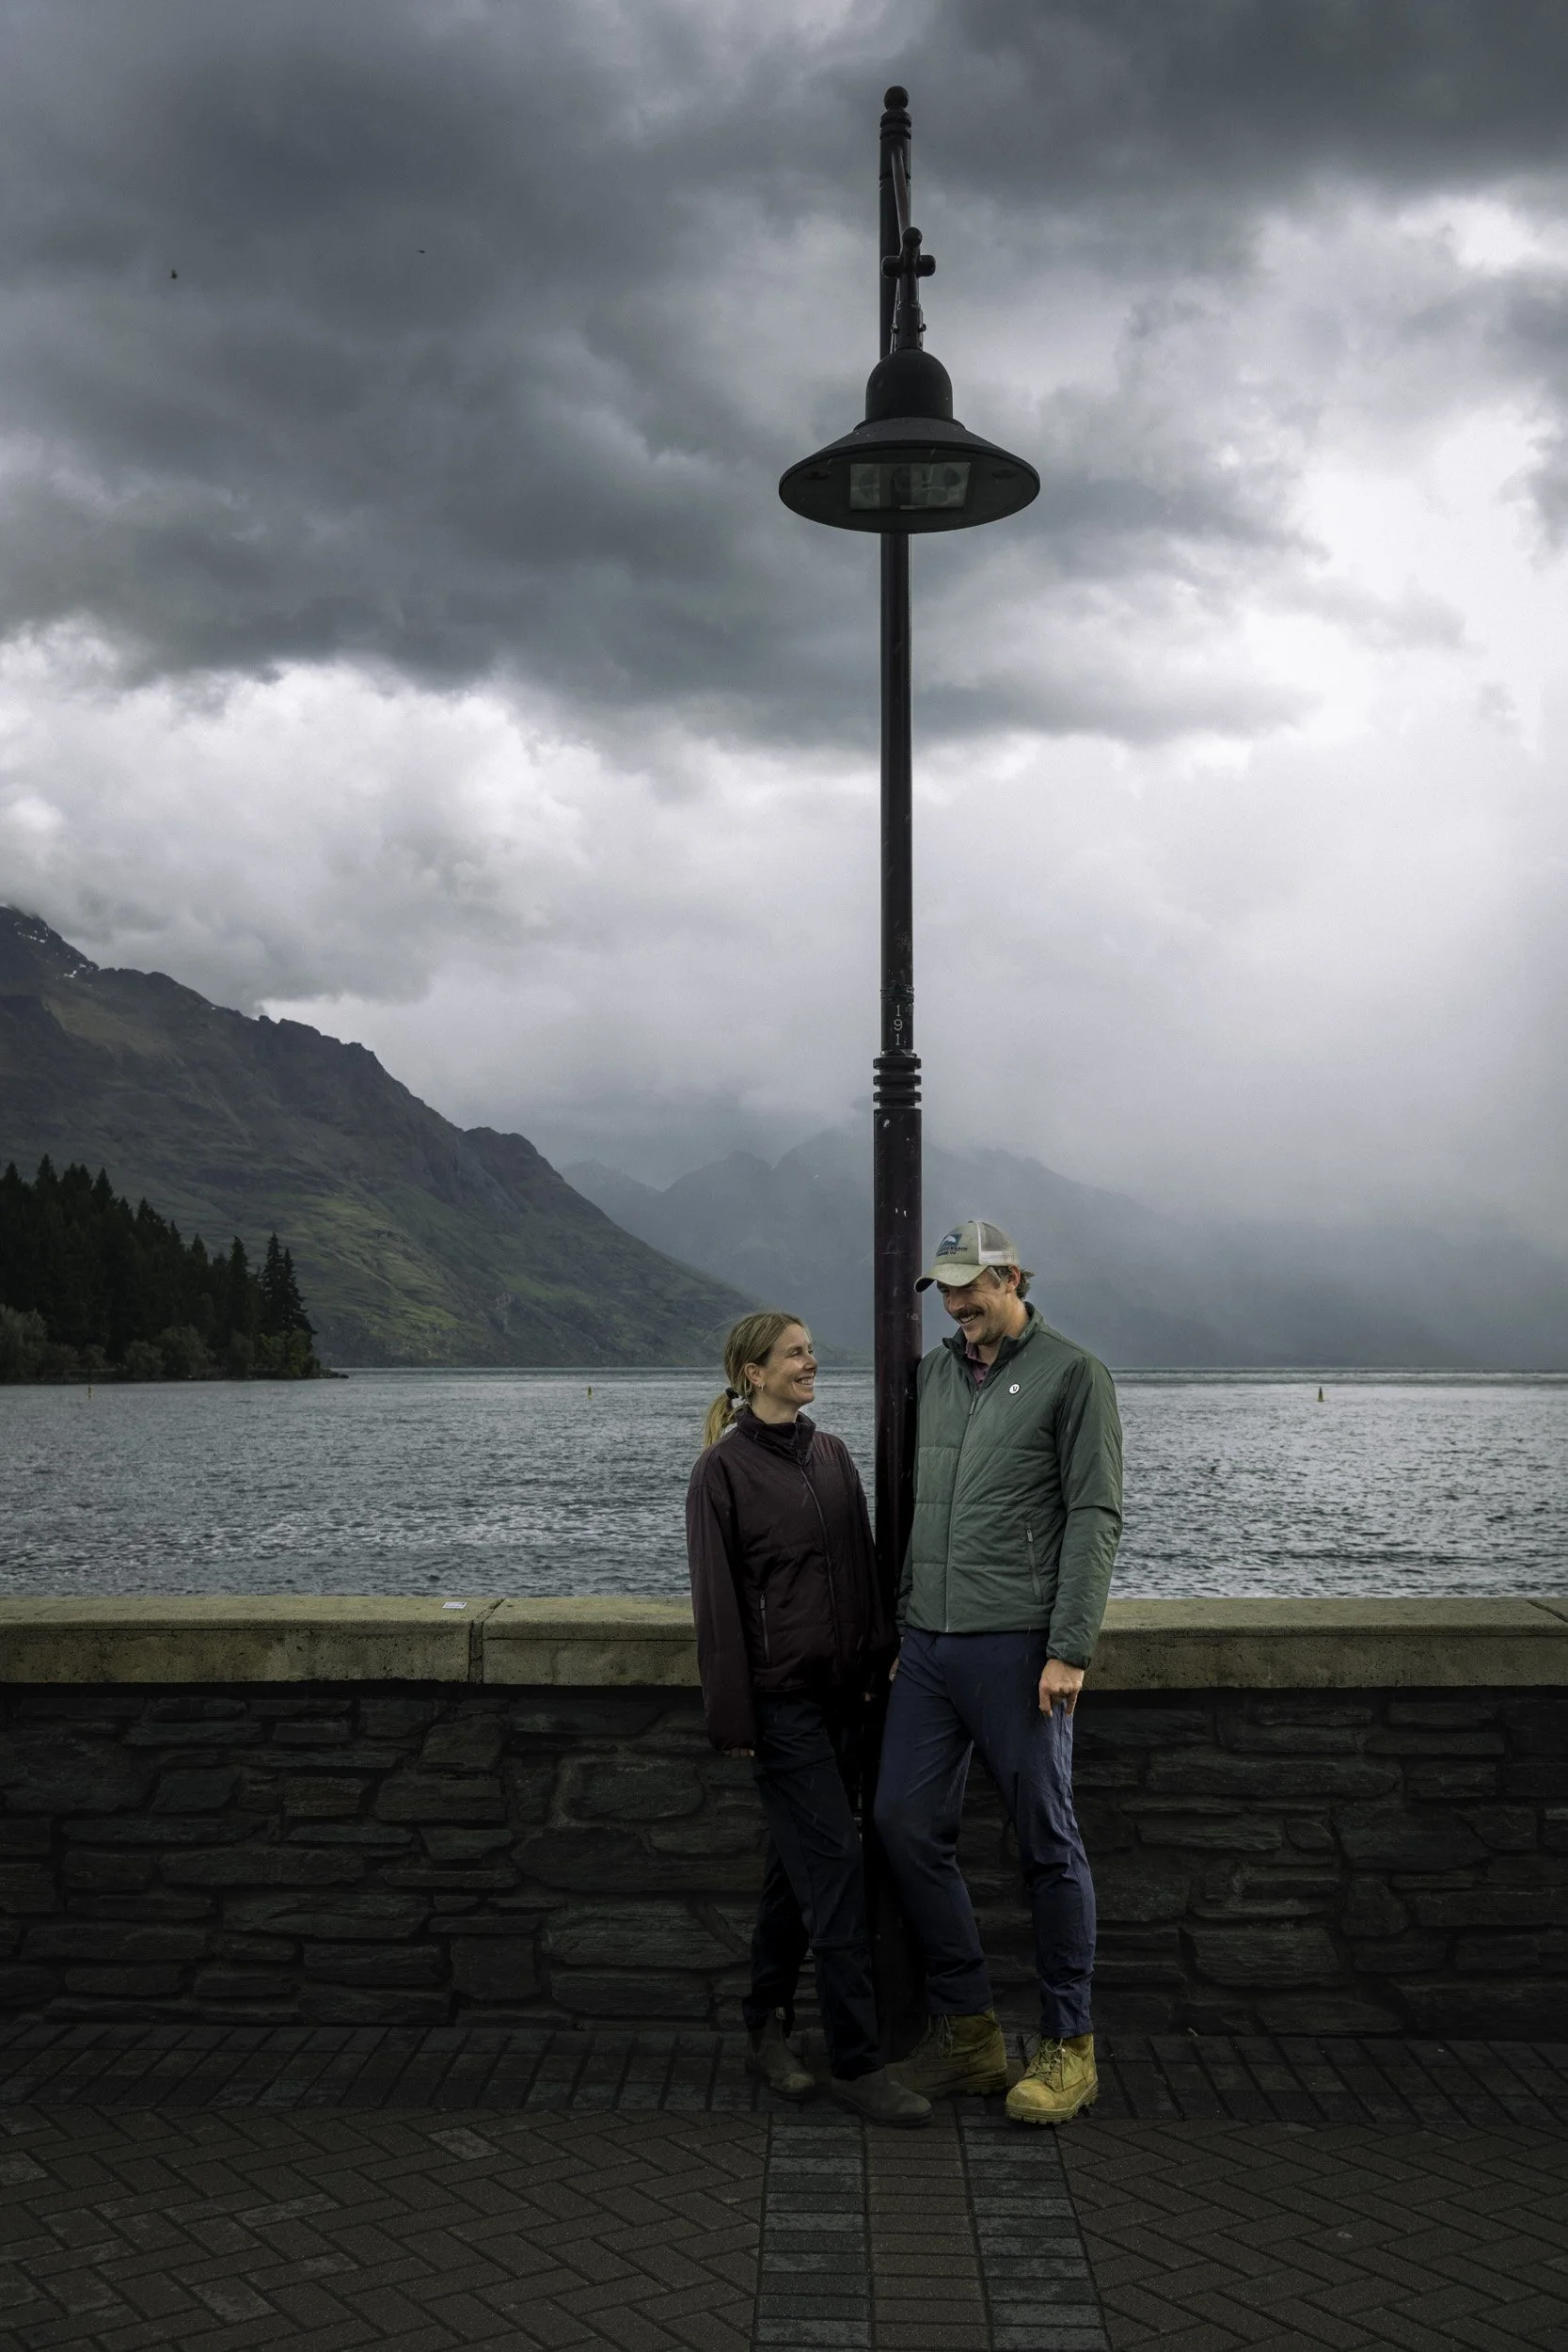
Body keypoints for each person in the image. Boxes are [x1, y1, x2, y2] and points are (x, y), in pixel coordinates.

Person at [874, 1219, 1122, 2125]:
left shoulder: (1071, 1373)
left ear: (1012, 1277)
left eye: (969, 1288)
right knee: (901, 1821)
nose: (955, 1305)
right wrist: (907, 1618)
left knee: (1046, 1843)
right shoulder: (934, 1374)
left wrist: (1070, 1645)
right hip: (930, 1648)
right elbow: (915, 1509)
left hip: (1021, 1646)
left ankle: (1068, 2046)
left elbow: (1094, 1512)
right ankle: (971, 2034)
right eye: (943, 1291)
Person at [686, 1310, 931, 2128]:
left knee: (794, 1877)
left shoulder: (831, 1456)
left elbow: (861, 1571)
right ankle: (858, 2062)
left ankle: (764, 2025)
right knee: (836, 1873)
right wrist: (733, 1716)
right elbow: (716, 1605)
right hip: (781, 1706)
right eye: (794, 1354)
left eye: (811, 1352)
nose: (811, 1362)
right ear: (752, 1373)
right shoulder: (721, 1473)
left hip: (846, 1700)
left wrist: (879, 1657)